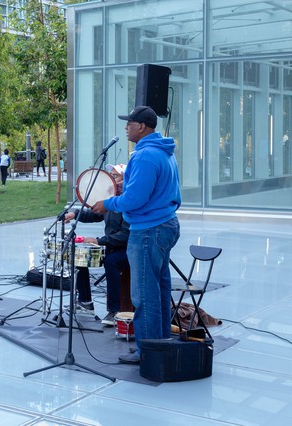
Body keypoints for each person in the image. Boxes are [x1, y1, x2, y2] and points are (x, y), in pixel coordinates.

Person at [92, 106, 181, 365]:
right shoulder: (165, 153)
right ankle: (159, 343)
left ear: (142, 126)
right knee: (160, 288)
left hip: (148, 231)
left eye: (129, 123)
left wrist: (107, 203)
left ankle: (147, 351)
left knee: (144, 294)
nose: (125, 127)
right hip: (166, 225)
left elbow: (135, 199)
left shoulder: (144, 157)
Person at [64, 164, 130, 325]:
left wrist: (99, 241)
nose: (111, 180)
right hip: (111, 246)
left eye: (115, 176)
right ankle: (85, 301)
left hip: (127, 249)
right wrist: (75, 214)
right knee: (80, 254)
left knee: (111, 261)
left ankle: (114, 310)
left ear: (124, 180)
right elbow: (95, 214)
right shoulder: (110, 200)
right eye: (111, 175)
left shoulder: (127, 202)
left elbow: (125, 236)